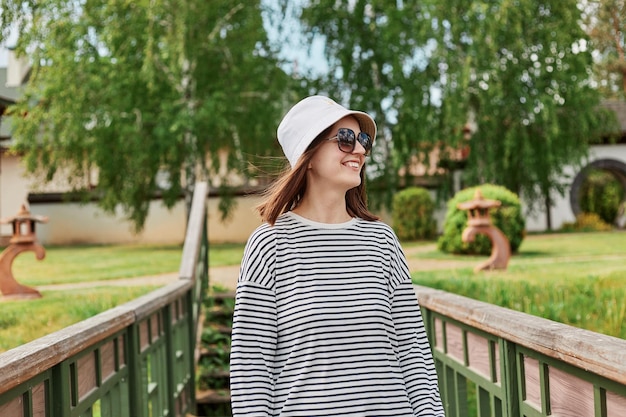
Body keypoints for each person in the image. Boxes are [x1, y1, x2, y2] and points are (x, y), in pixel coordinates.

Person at [230, 95, 445, 416]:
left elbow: (414, 351)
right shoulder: (270, 245)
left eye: (363, 140)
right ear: (309, 155)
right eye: (345, 139)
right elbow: (251, 369)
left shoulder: (382, 241)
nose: (359, 149)